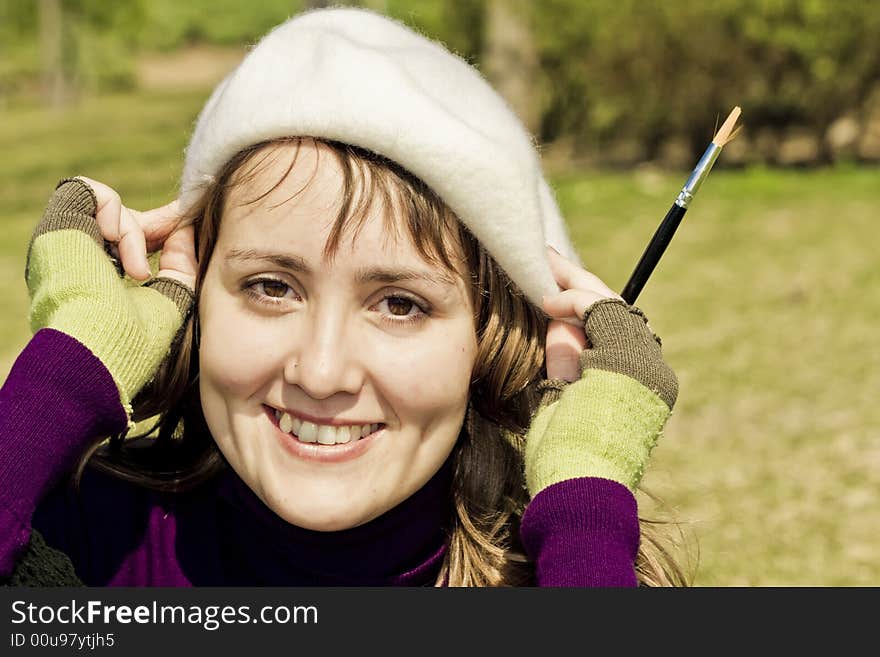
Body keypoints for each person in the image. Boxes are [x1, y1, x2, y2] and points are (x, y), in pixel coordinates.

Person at [0, 7, 685, 587]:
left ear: (493, 340)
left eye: (399, 304)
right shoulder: (88, 542)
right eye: (271, 286)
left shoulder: (556, 568)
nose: (321, 373)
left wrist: (584, 505)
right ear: (194, 299)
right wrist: (68, 370)